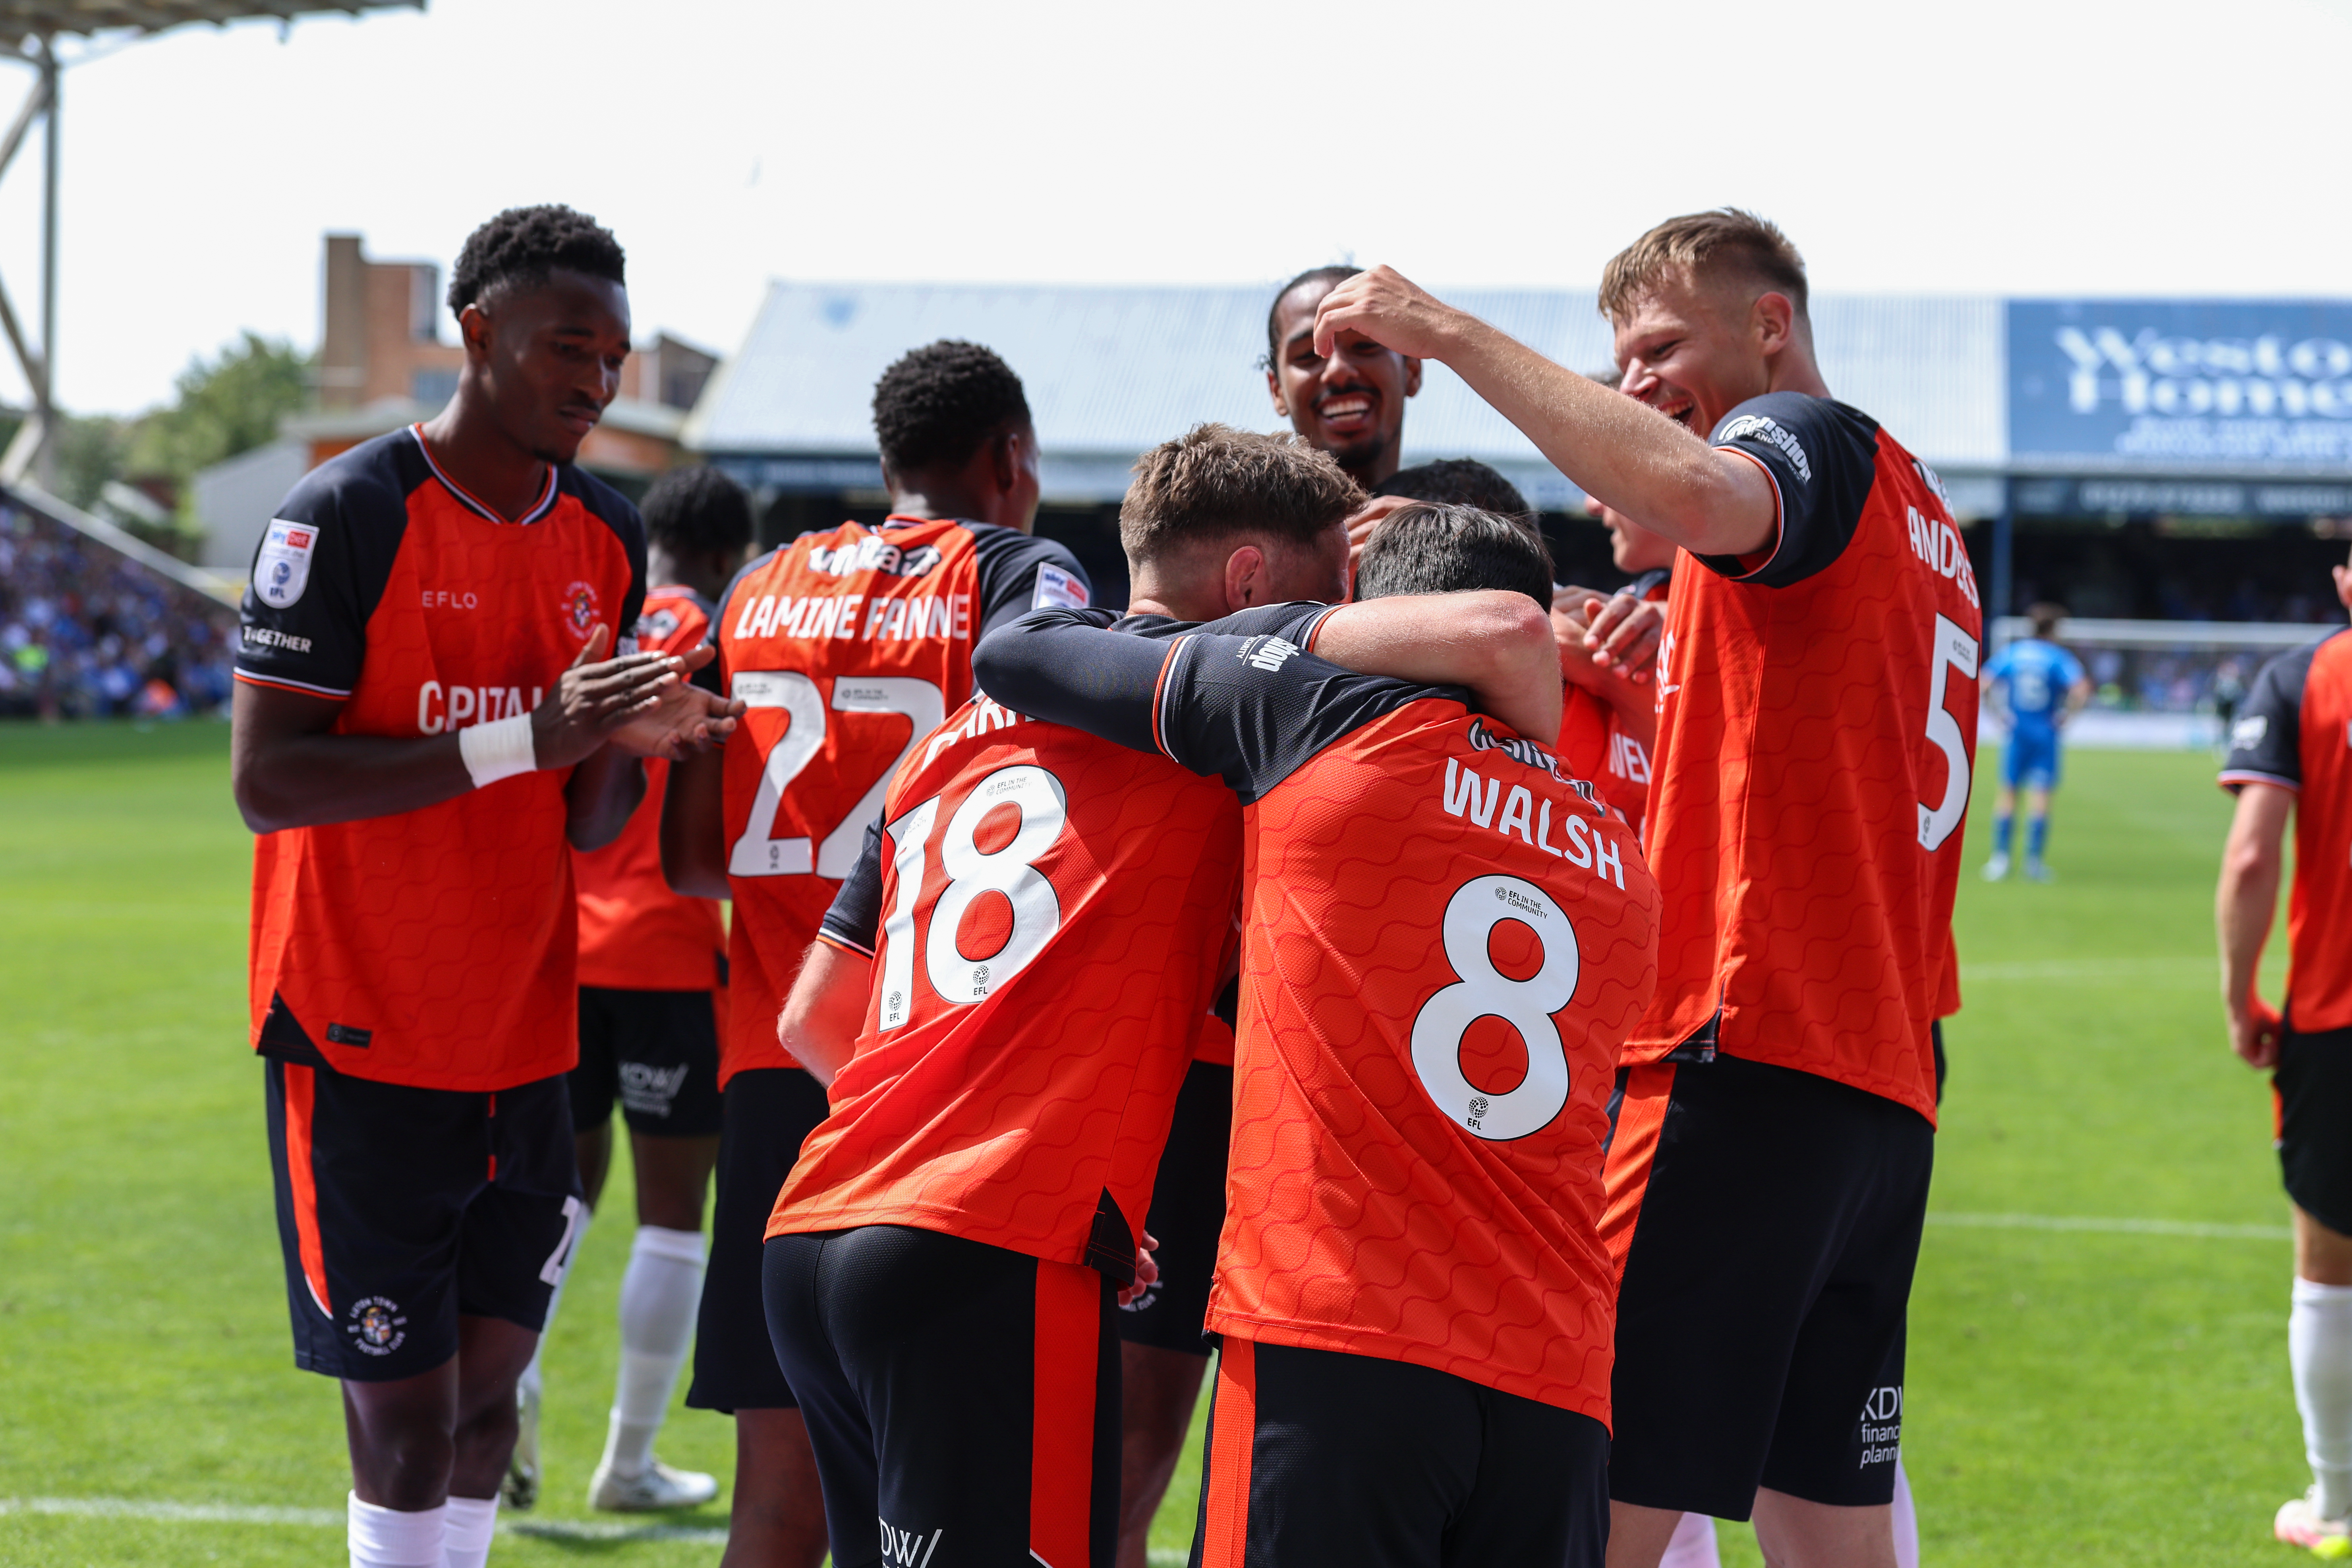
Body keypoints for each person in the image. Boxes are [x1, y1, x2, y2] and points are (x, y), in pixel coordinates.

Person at [1310, 208, 1981, 1568]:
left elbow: (1708, 495)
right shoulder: (1926, 521)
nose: (1636, 385)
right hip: (1879, 1086)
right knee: (1831, 1527)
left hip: (1743, 1050)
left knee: (1585, 1503)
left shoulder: (1807, 441)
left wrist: (1436, 325)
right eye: (1620, 362)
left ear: (1769, 323)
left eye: (1662, 344)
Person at [976, 501, 1658, 1568]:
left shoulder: (1326, 720)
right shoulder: (1619, 847)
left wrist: (1294, 629)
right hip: (1558, 1373)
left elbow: (1022, 655)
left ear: (1377, 619)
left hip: (1339, 1330)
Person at [765, 424, 1377, 1568]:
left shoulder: (953, 737)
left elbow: (815, 1017)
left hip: (816, 1227)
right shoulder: (1222, 739)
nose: (1332, 627)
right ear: (1249, 582)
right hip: (983, 1246)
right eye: (1325, 591)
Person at [229, 205, 741, 1568]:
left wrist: (642, 738)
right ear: (477, 330)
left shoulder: (607, 535)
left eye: (617, 355)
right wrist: (535, 731)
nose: (597, 379)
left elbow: (587, 818)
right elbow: (268, 780)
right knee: (398, 1431)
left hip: (526, 1035)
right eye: (569, 344)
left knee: (474, 1417)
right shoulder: (344, 510)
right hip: (360, 1027)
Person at [659, 339, 1090, 1568]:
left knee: (778, 1502)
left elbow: (697, 860)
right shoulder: (1017, 571)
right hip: (936, 1088)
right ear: (1010, 457)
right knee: (943, 1503)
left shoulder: (752, 589)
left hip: (770, 1069)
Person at [504, 467, 757, 1515]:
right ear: (725, 552)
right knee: (670, 1220)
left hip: (563, 954)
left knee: (558, 1207)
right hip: (665, 953)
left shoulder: (593, 627)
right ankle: (628, 1462)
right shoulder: (718, 631)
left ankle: (507, 1388)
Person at [2216, 550, 2352, 1555]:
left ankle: (2337, 1501)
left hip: (2333, 1015)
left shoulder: (2303, 677)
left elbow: (2252, 853)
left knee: (2327, 1261)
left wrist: (2238, 996)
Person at [1980, 602, 2090, 882]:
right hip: (2045, 734)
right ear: (2053, 629)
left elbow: (1984, 682)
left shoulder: (2013, 653)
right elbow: (2081, 689)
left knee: (2007, 794)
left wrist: (1996, 716)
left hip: (2016, 732)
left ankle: (2000, 860)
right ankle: (2033, 862)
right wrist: (2067, 717)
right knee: (2040, 798)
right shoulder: (2057, 657)